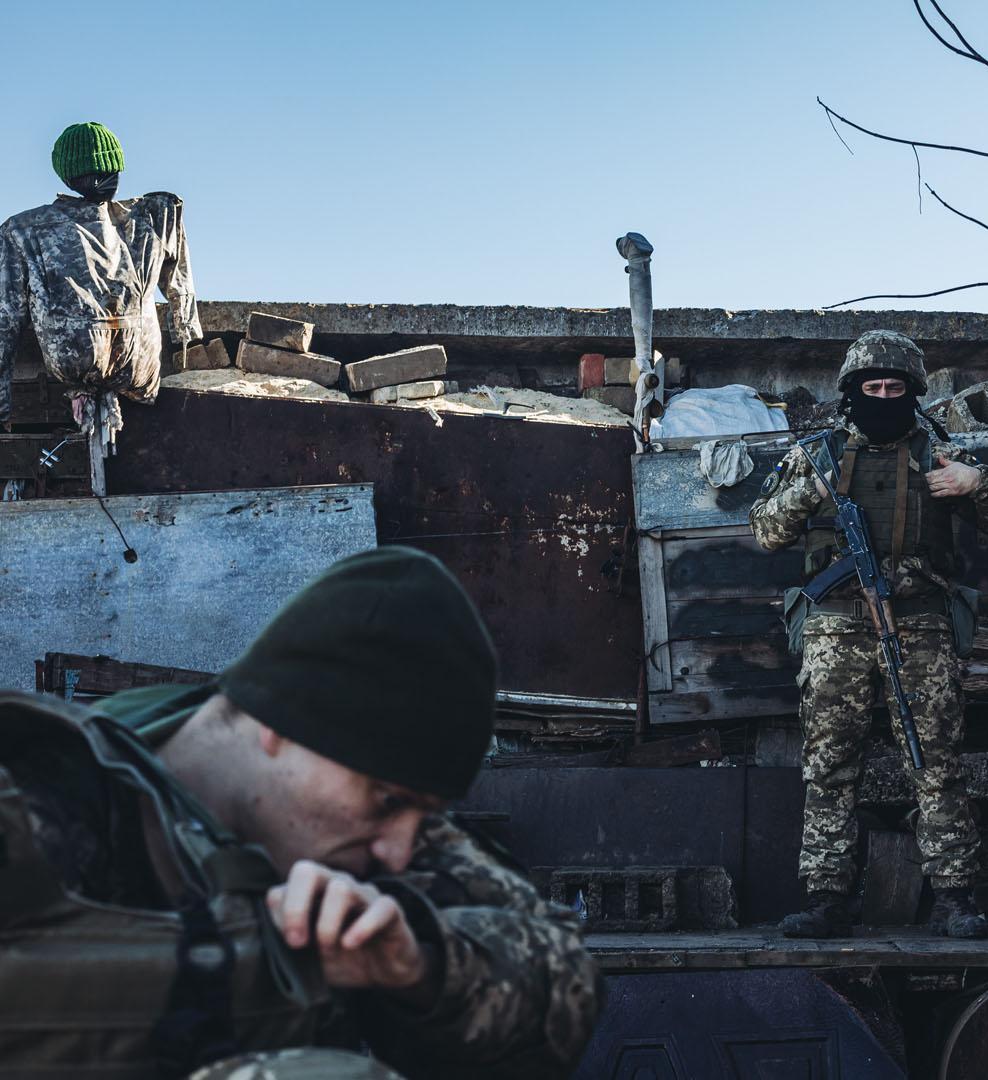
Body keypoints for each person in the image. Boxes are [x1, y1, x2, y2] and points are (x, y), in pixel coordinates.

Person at [0, 546, 600, 1077]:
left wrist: (420, 967)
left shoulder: (371, 836)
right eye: (388, 800)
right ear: (282, 724)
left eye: (420, 814)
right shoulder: (47, 796)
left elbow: (566, 979)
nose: (397, 848)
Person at [750, 329, 988, 939]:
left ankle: (954, 897)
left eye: (892, 388)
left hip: (922, 623)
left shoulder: (941, 454)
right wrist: (808, 493)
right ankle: (826, 899)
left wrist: (979, 485)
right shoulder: (814, 456)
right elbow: (765, 532)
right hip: (834, 628)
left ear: (911, 392)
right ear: (851, 392)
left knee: (936, 763)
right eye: (870, 387)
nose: (881, 396)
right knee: (828, 764)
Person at [0, 122, 197, 437]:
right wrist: (185, 330)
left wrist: (3, 410)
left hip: (76, 367)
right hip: (139, 370)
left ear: (66, 177)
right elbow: (180, 283)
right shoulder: (153, 217)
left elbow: (6, 321)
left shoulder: (24, 230)